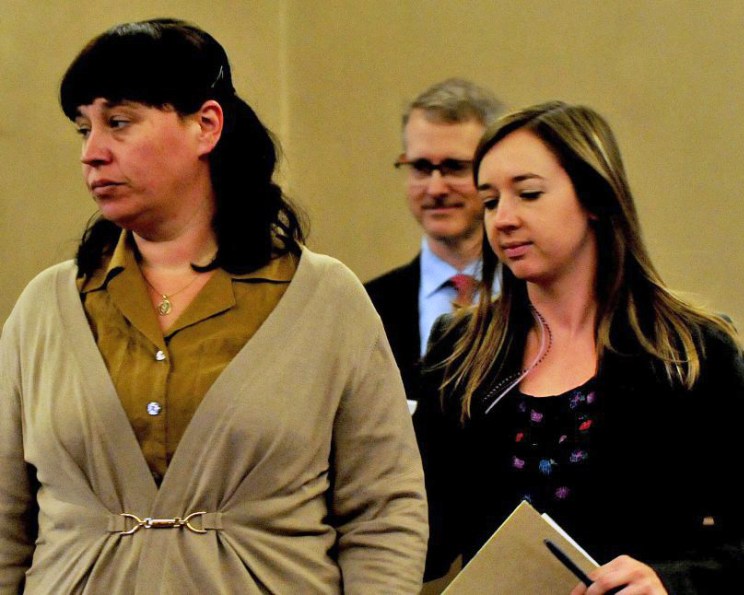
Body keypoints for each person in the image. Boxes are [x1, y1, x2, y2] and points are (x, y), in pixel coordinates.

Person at [0, 18, 427, 593]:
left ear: (205, 125)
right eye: (84, 129)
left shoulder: (325, 299)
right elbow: (4, 522)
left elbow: (384, 513)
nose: (92, 154)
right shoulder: (46, 309)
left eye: (119, 123)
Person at [414, 101, 744, 593]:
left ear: (594, 198)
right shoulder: (461, 350)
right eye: (489, 201)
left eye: (528, 194)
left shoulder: (690, 350)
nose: (502, 219)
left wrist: (670, 582)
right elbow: (421, 537)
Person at [365, 79, 504, 409]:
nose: (436, 187)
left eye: (455, 167)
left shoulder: (541, 297)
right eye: (421, 168)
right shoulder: (366, 307)